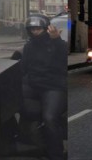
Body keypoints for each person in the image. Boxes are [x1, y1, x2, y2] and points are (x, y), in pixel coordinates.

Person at [19, 14, 68, 160]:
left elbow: (64, 56)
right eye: (32, 29)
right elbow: (23, 69)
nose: (35, 32)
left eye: (38, 28)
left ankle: (56, 155)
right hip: (33, 85)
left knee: (49, 118)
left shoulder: (57, 44)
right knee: (9, 105)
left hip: (53, 86)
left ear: (46, 28)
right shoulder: (28, 46)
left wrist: (57, 41)